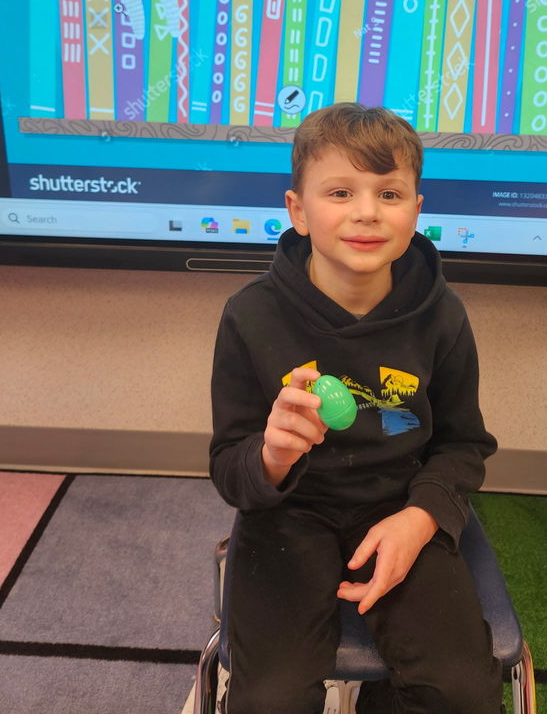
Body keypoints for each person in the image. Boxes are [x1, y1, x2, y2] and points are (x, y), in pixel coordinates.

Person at [210, 102, 503, 714]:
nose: (367, 212)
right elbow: (229, 471)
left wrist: (421, 517)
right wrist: (271, 457)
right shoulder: (251, 314)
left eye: (390, 193)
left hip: (400, 506)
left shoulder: (441, 315)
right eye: (340, 192)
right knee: (269, 701)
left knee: (462, 693)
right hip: (289, 516)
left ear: (417, 210)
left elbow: (462, 444)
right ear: (297, 210)